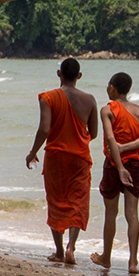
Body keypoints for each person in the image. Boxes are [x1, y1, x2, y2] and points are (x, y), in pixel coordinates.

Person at [24, 58, 97, 265]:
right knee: (78, 201)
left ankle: (59, 251)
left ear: (59, 73)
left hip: (56, 156)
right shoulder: (90, 100)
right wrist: (77, 139)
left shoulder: (48, 98)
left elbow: (44, 129)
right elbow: (93, 133)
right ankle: (71, 247)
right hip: (80, 157)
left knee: (56, 201)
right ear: (79, 76)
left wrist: (32, 152)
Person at [91, 71, 139, 274]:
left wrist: (119, 166)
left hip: (113, 164)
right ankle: (133, 263)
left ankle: (106, 258)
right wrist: (127, 149)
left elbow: (110, 139)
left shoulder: (107, 110)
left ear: (112, 88)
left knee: (111, 212)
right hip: (134, 164)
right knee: (132, 214)